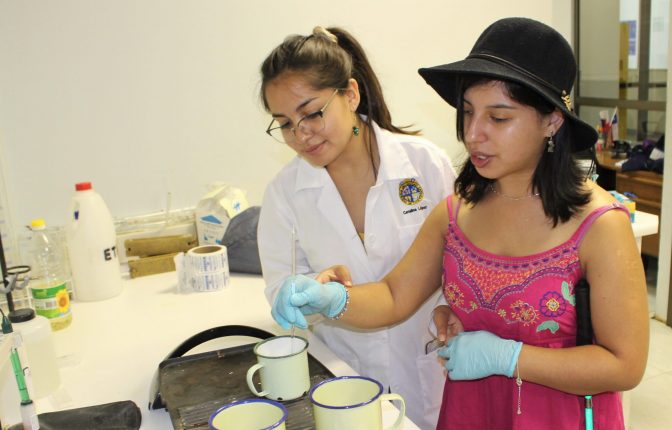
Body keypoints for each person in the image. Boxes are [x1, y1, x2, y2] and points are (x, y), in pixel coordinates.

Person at [271, 17, 649, 429]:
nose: (473, 134)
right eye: (468, 113)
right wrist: (333, 300)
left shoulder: (597, 225)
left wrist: (509, 358)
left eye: (498, 118)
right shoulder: (458, 211)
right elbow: (395, 294)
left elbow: (624, 365)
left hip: (555, 416)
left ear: (551, 121)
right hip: (471, 412)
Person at [257, 26, 456, 429]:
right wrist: (310, 292)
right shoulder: (285, 194)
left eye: (312, 113)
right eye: (285, 123)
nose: (301, 134)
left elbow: (466, 262)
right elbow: (282, 288)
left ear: (350, 93)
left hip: (430, 365)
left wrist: (451, 308)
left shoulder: (423, 165)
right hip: (342, 377)